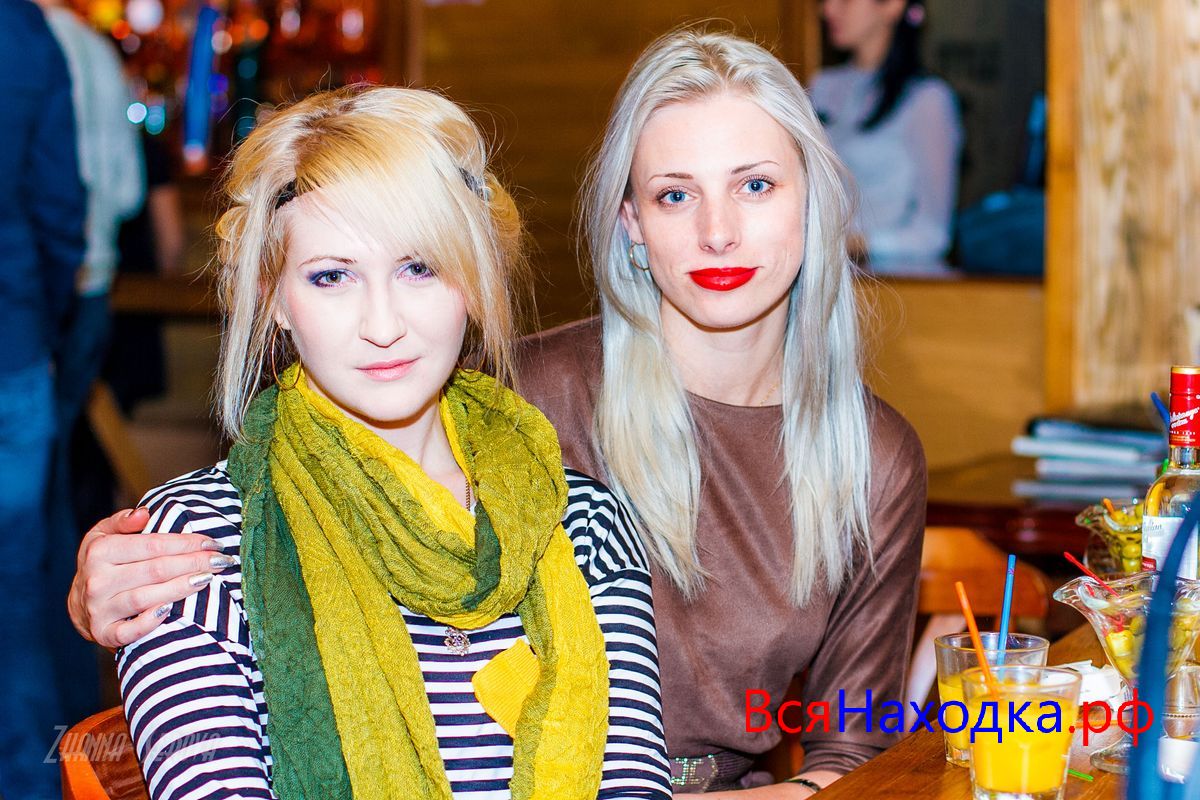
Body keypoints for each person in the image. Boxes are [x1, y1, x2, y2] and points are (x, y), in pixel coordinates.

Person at [69, 30, 925, 798]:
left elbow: (853, 737)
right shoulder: (516, 398)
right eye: (674, 195)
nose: (718, 231)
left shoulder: (863, 457)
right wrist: (96, 593)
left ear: (815, 199)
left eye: (756, 185)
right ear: (629, 221)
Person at [107, 85, 671, 800]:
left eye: (419, 268)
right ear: (275, 298)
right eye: (332, 276)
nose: (382, 325)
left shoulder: (583, 526)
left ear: (474, 279)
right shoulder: (192, 544)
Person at [38, 0, 146, 726]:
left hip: (43, 299)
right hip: (92, 292)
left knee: (36, 500)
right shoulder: (97, 53)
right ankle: (72, 707)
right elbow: (129, 191)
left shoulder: (24, 43)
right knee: (55, 484)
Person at [0, 1, 86, 797]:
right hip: (12, 344)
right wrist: (44, 317)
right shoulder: (26, 33)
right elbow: (61, 207)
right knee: (16, 597)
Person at [812, 0, 962, 272]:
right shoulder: (823, 86)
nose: (829, 9)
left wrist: (856, 242)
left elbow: (933, 235)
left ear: (892, 5)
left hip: (893, 280)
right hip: (824, 273)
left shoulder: (927, 99)